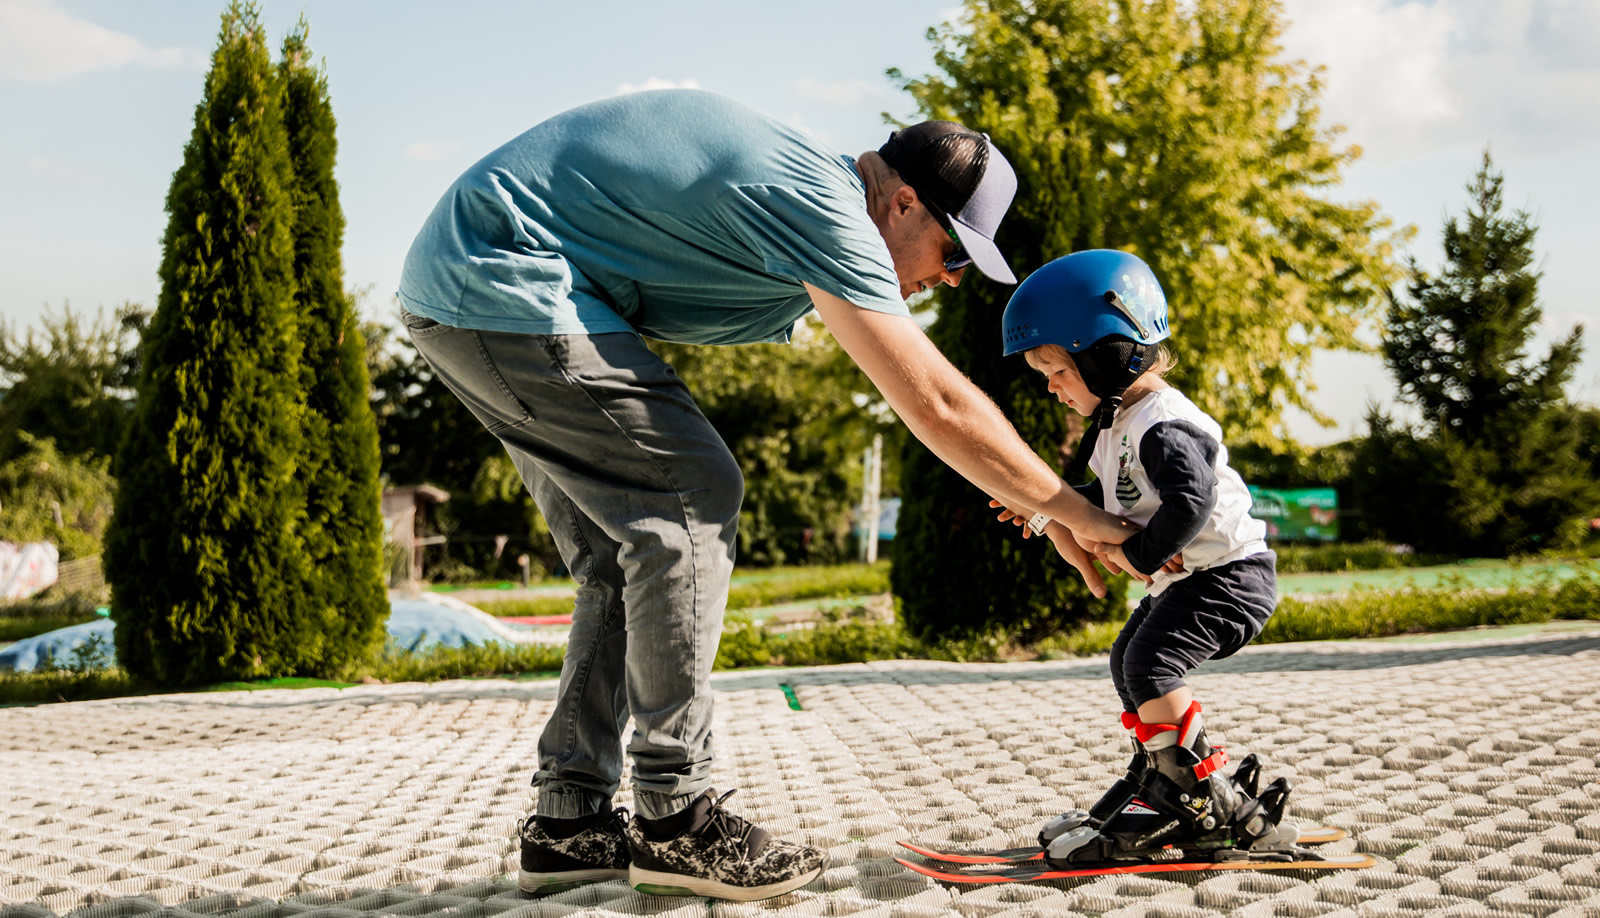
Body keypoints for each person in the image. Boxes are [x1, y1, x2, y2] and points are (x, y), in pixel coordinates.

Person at [396, 89, 1134, 901]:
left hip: (468, 283)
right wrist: (1071, 508)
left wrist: (1037, 502)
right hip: (506, 276)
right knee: (691, 500)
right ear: (904, 201)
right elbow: (938, 406)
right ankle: (678, 820)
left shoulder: (813, 190)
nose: (951, 280)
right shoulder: (830, 209)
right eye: (953, 254)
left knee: (625, 547)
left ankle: (570, 821)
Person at [995, 249, 1297, 864]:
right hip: (1199, 580)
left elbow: (1191, 500)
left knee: (1152, 664)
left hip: (1230, 578)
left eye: (1055, 369)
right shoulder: (1117, 423)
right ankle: (1158, 778)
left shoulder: (1162, 423)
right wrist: (1041, 507)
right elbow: (1103, 503)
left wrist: (1138, 555)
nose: (1050, 386)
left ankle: (1197, 801)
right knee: (1127, 659)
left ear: (1107, 353)